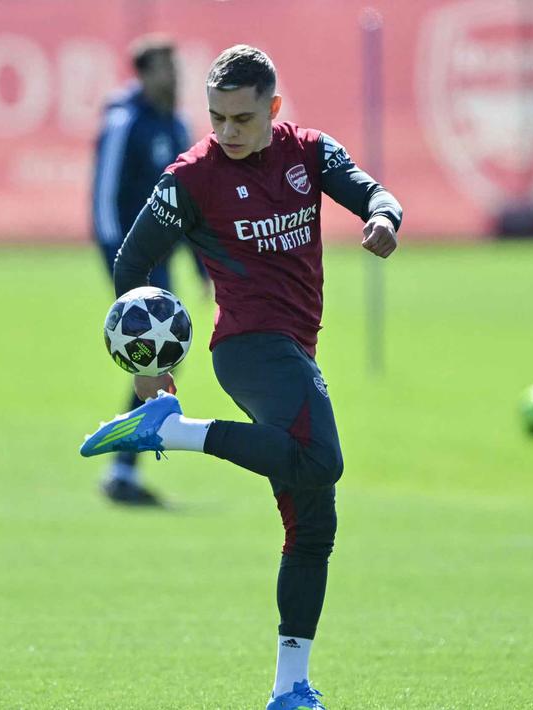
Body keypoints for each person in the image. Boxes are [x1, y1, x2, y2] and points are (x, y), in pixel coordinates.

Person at [80, 45, 401, 710]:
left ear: (273, 110)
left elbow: (373, 191)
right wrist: (149, 370)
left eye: (242, 119)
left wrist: (382, 218)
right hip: (248, 348)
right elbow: (131, 262)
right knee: (322, 459)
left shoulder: (308, 152)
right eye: (216, 117)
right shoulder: (191, 176)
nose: (226, 131)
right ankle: (172, 428)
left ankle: (290, 688)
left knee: (312, 524)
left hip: (296, 350)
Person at [90, 34, 203, 505]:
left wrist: (203, 264)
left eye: (176, 68)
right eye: (165, 68)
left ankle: (125, 466)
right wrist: (122, 269)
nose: (174, 77)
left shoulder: (177, 125)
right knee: (154, 357)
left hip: (165, 262)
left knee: (164, 357)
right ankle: (123, 469)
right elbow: (104, 202)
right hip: (133, 263)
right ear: (144, 72)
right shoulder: (124, 122)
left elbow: (193, 202)